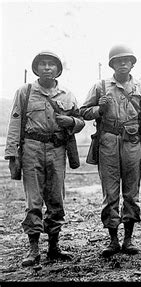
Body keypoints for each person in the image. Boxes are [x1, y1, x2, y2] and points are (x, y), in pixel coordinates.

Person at [4, 51, 85, 266]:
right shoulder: (25, 91)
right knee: (34, 200)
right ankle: (33, 250)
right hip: (32, 148)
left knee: (56, 198)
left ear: (58, 69)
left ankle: (53, 247)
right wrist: (12, 153)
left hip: (57, 149)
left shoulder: (67, 94)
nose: (47, 68)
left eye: (51, 64)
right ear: (36, 68)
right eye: (43, 64)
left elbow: (80, 120)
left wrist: (71, 122)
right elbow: (15, 122)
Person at [80, 45, 141, 257]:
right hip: (108, 143)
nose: (123, 64)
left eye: (127, 60)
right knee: (110, 193)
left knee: (131, 193)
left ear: (132, 64)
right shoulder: (100, 86)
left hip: (132, 143)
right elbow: (83, 112)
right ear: (111, 64)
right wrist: (99, 109)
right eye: (118, 61)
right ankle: (113, 240)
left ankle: (129, 240)